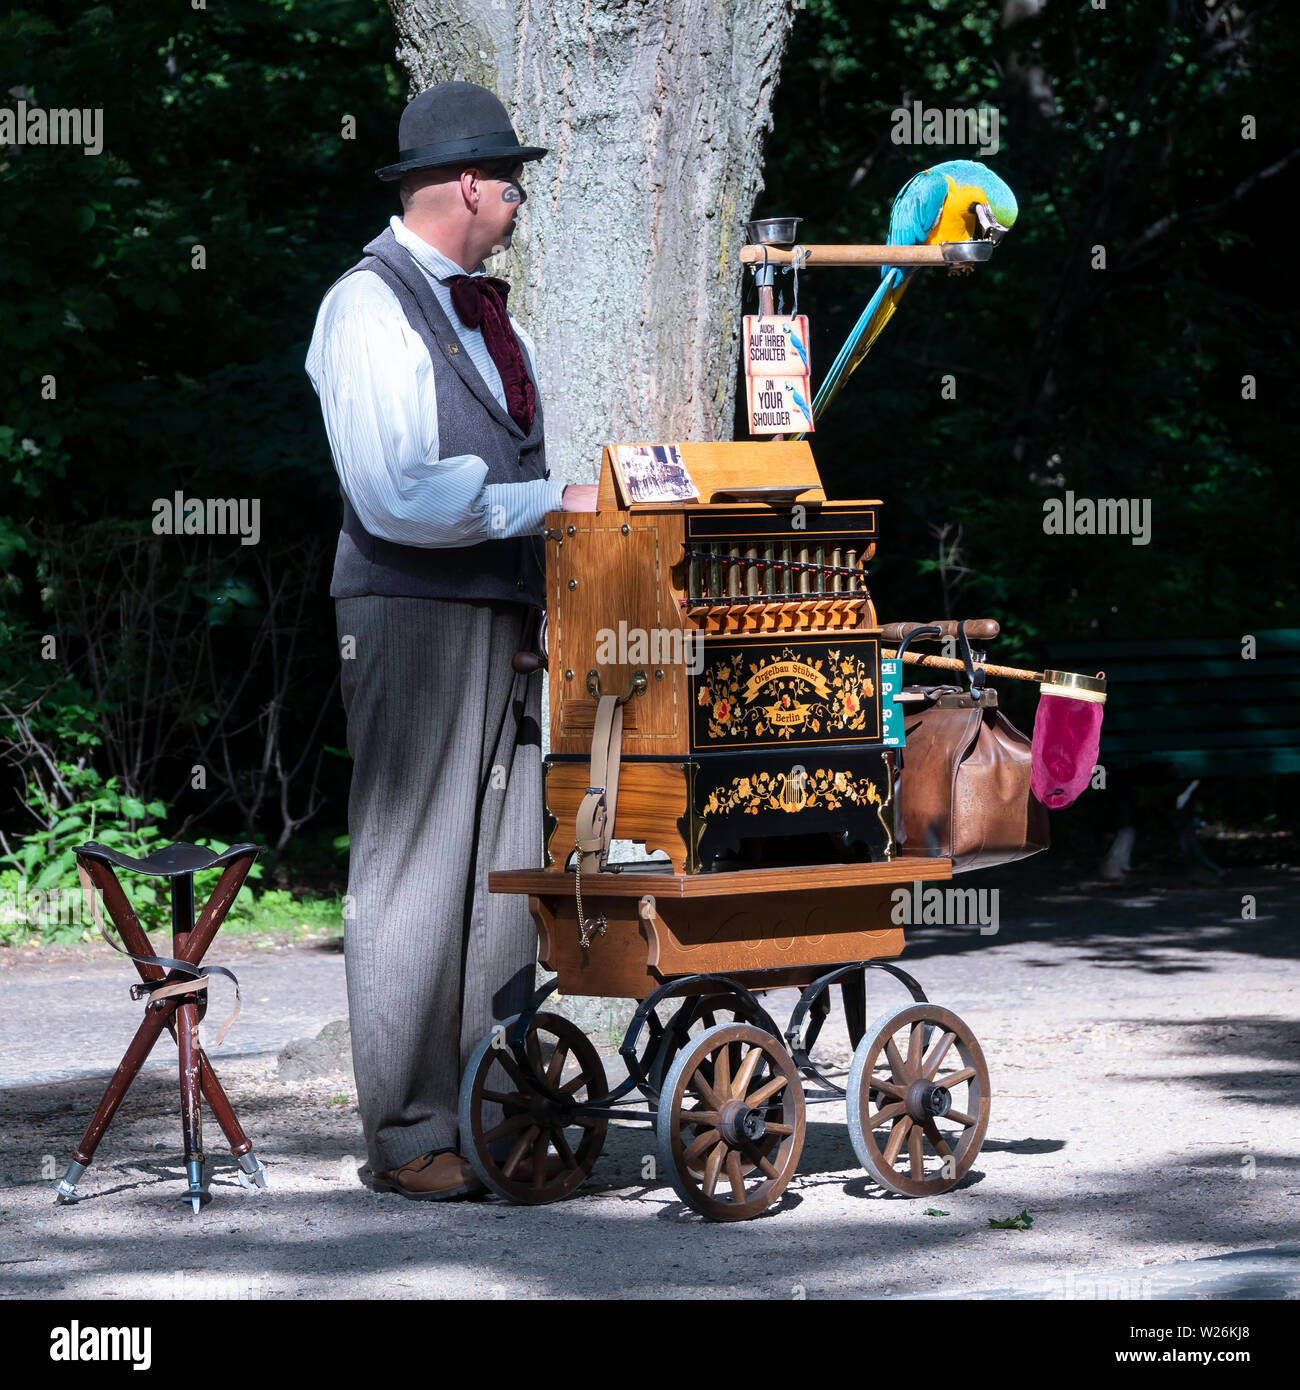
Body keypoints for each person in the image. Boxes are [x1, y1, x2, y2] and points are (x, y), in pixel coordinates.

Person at [305, 81, 597, 1200]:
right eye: (511, 178)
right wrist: (546, 508)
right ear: (468, 185)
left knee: (503, 879)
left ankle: (493, 1116)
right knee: (415, 869)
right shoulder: (366, 307)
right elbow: (397, 497)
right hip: (411, 613)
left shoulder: (490, 311)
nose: (521, 196)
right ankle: (408, 1132)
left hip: (504, 611)